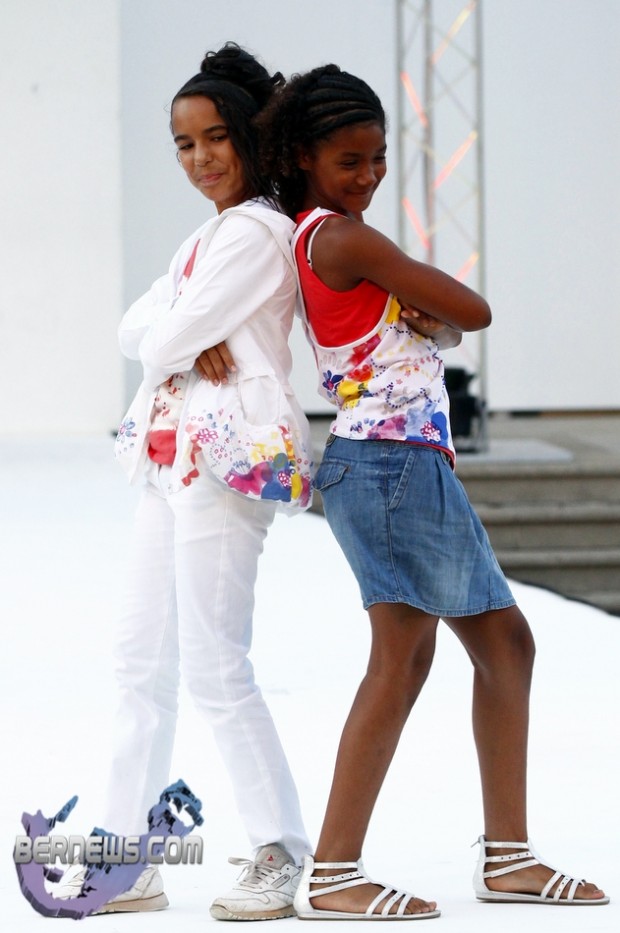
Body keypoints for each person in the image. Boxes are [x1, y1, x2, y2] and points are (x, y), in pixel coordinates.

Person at [256, 64, 609, 919]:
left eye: (377, 157)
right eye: (349, 160)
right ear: (303, 157)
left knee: (469, 652)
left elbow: (433, 324)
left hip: (387, 464)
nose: (369, 174)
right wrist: (432, 311)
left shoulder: (320, 238)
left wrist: (427, 319)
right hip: (390, 466)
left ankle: (496, 857)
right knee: (438, 656)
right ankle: (346, 872)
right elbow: (472, 309)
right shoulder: (343, 239)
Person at [58, 43, 313, 921]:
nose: (199, 157)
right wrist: (181, 327)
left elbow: (160, 337)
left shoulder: (258, 231)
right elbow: (137, 328)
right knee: (140, 659)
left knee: (214, 665)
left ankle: (281, 850)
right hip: (167, 461)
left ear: (248, 135)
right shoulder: (204, 236)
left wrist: (180, 330)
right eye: (183, 143)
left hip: (223, 461)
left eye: (214, 138)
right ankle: (127, 855)